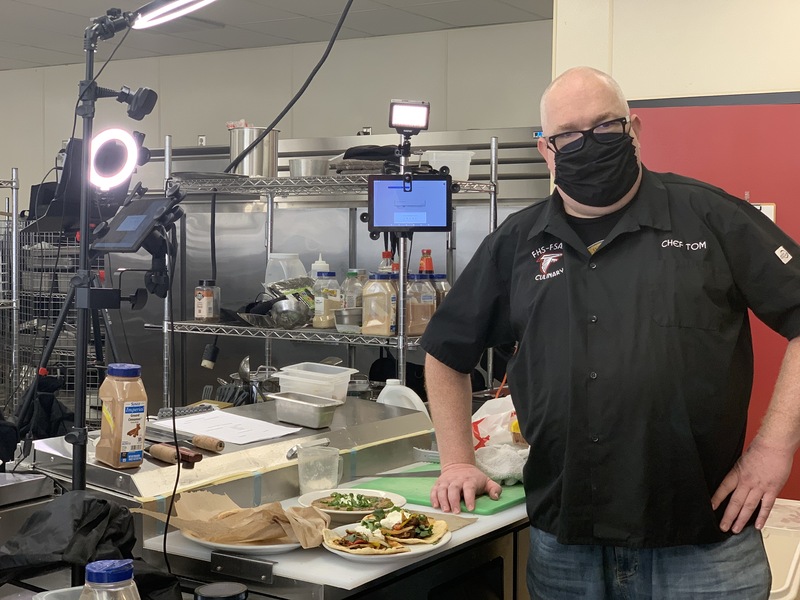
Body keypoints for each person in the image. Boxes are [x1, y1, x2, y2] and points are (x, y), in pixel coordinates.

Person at [420, 66, 800, 599]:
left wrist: (772, 449)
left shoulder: (709, 217)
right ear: (546, 150)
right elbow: (445, 352)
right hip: (567, 548)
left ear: (635, 130)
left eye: (606, 128)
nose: (589, 144)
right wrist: (457, 460)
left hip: (704, 544)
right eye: (569, 135)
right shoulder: (517, 243)